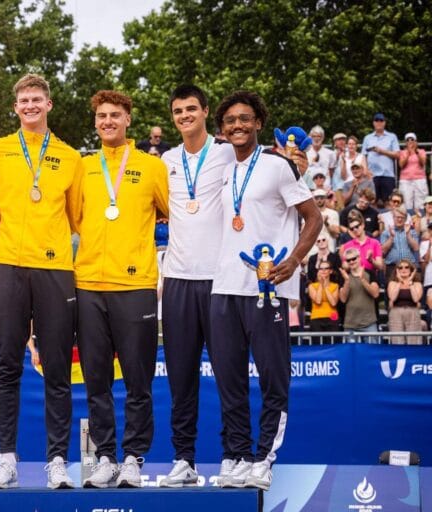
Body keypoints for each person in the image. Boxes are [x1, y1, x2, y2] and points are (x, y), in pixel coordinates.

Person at [209, 90, 320, 490]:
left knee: (273, 379)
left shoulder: (276, 167)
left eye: (245, 118)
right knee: (229, 379)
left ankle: (263, 458)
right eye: (230, 121)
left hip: (266, 289)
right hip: (224, 287)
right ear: (222, 130)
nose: (237, 125)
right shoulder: (224, 169)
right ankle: (236, 455)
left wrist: (294, 260)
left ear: (258, 123)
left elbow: (314, 218)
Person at [0, 74, 82, 489]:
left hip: (56, 268)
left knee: (56, 368)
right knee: (7, 366)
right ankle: (6, 459)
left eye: (36, 99)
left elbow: (77, 218)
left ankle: (57, 460)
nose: (30, 105)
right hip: (7, 264)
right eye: (23, 100)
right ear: (15, 107)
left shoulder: (70, 156)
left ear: (49, 104)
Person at [68, 90, 168, 489]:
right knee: (96, 381)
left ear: (129, 120)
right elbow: (76, 220)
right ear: (95, 122)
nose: (108, 121)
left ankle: (134, 458)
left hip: (136, 283)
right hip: (89, 283)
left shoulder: (151, 167)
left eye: (115, 115)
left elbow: (172, 213)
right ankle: (106, 456)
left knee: (138, 381)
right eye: (102, 116)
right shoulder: (84, 167)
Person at [157, 84, 236, 488]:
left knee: (228, 374)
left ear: (206, 111)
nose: (185, 115)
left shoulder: (227, 152)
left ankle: (232, 456)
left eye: (191, 108)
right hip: (178, 281)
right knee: (181, 378)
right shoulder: (166, 160)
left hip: (220, 280)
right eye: (178, 111)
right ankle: (183, 459)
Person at [339, 247, 380, 342]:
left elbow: (375, 294)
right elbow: (343, 299)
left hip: (369, 323)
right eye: (348, 260)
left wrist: (363, 280)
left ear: (359, 257)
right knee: (352, 355)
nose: (352, 261)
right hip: (350, 324)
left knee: (372, 354)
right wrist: (347, 281)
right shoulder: (345, 277)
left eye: (354, 258)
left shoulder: (370, 273)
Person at [362, 113, 400, 207]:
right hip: (372, 176)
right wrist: (366, 171)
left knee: (389, 203)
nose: (379, 122)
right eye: (376, 120)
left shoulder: (392, 137)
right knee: (372, 202)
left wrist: (382, 151)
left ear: (384, 123)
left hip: (387, 175)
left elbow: (397, 154)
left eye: (381, 120)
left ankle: (390, 221)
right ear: (373, 123)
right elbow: (364, 156)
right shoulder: (367, 138)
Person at [386, 259, 423, 345]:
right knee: (397, 341)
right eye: (400, 267)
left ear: (411, 270)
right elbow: (392, 297)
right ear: (397, 270)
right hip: (396, 312)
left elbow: (416, 299)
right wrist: (399, 281)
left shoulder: (417, 284)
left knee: (414, 342)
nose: (404, 269)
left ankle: (413, 358)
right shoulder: (392, 283)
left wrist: (410, 282)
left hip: (413, 312)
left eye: (407, 267)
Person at [380, 207, 419, 279]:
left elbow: (416, 248)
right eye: (397, 217)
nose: (399, 219)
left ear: (405, 219)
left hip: (409, 266)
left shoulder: (412, 232)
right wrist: (391, 237)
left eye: (402, 217)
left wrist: (408, 235)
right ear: (393, 217)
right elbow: (383, 251)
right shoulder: (386, 232)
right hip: (392, 266)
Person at [307, 261, 340, 344]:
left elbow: (333, 303)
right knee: (318, 345)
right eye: (321, 269)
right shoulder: (312, 286)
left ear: (330, 271)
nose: (323, 271)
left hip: (332, 317)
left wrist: (326, 287)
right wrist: (321, 284)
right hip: (316, 317)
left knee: (332, 344)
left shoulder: (335, 286)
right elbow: (318, 301)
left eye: (326, 268)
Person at [398, 133, 428, 211]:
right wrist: (408, 153)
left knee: (421, 202)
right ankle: (408, 220)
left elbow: (423, 163)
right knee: (406, 202)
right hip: (405, 180)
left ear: (416, 142)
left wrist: (416, 152)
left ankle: (421, 220)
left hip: (419, 179)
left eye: (412, 140)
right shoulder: (403, 152)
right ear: (406, 142)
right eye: (408, 140)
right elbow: (401, 165)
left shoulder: (421, 151)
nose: (410, 142)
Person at [304, 125, 336, 190]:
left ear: (323, 137)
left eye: (319, 136)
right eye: (314, 136)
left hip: (326, 189)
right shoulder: (305, 152)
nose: (316, 138)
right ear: (310, 137)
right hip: (309, 188)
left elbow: (331, 172)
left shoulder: (330, 153)